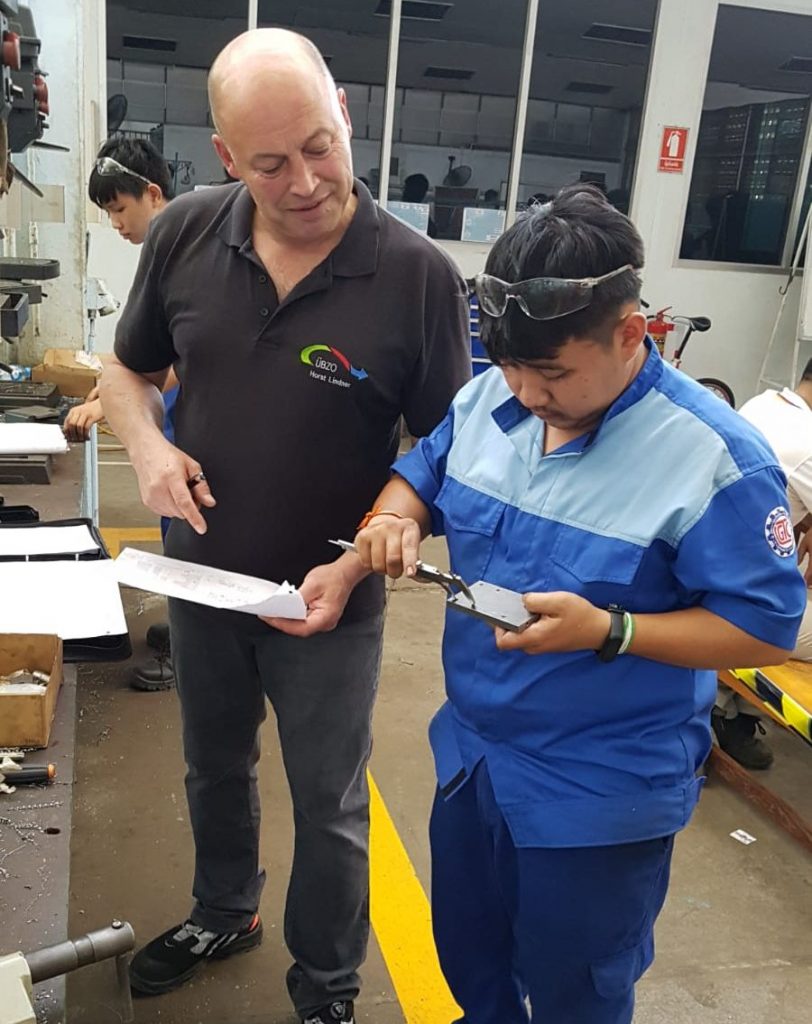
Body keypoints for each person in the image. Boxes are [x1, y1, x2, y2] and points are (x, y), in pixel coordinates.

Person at [352, 185, 806, 1024]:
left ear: (632, 332)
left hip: (601, 788)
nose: (526, 393)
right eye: (512, 367)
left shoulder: (715, 459)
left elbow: (764, 628)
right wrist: (392, 520)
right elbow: (426, 473)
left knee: (576, 992)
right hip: (476, 755)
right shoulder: (493, 397)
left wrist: (613, 629)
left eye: (552, 372)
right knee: (471, 961)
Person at [98, 28, 470, 1024]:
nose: (306, 180)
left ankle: (326, 989)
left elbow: (446, 456)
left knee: (329, 806)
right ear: (227, 158)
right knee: (211, 765)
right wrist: (146, 447)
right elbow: (124, 371)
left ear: (343, 112)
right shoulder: (182, 236)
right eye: (270, 163)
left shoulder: (416, 278)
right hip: (205, 582)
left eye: (318, 144)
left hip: (327, 603)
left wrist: (366, 554)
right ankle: (224, 907)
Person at [64, 138, 178, 691]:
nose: (115, 223)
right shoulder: (166, 255)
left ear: (152, 195)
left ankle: (191, 656)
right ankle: (184, 631)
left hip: (197, 427)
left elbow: (178, 361)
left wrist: (110, 398)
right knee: (174, 525)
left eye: (118, 209)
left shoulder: (187, 255)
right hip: (176, 422)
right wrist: (107, 388)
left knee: (191, 531)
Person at [712, 365, 812, 768]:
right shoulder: (807, 440)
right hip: (742, 600)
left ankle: (725, 711)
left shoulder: (763, 404)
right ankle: (723, 710)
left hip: (714, 579)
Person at [401, 172, 437, 238]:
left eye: (405, 188)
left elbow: (432, 233)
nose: (402, 191)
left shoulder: (421, 216)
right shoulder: (396, 211)